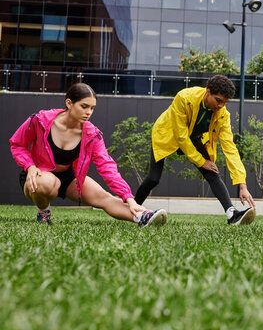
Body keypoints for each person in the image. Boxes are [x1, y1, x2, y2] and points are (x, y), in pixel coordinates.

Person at [9, 83, 167, 227]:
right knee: (47, 183)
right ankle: (44, 213)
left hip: (68, 177)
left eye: (92, 108)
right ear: (69, 103)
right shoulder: (41, 120)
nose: (88, 112)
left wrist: (129, 199)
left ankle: (142, 216)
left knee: (103, 197)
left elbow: (107, 167)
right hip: (36, 177)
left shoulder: (92, 134)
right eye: (84, 106)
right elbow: (18, 143)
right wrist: (29, 167)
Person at [135, 75, 256, 225]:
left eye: (225, 102)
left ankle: (232, 214)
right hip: (168, 133)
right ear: (208, 92)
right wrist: (200, 161)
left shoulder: (223, 114)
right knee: (153, 179)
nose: (221, 105)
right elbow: (181, 136)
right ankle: (133, 209)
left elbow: (230, 148)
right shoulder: (184, 97)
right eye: (218, 100)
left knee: (212, 171)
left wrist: (242, 184)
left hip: (193, 137)